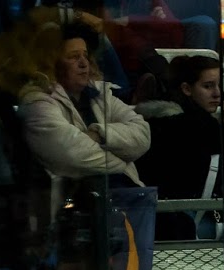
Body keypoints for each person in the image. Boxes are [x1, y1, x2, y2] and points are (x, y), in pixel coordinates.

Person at [17, 20, 151, 186]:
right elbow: (71, 155)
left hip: (125, 195)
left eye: (85, 56)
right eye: (73, 57)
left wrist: (99, 133)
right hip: (74, 205)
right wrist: (124, 163)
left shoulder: (100, 94)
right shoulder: (37, 104)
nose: (83, 63)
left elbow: (143, 134)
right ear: (52, 63)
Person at [136, 54, 224, 239]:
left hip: (178, 216)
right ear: (187, 89)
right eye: (208, 86)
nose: (217, 93)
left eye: (219, 85)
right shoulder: (189, 125)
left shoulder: (173, 117)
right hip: (178, 218)